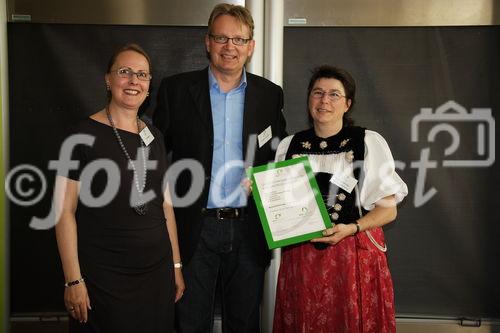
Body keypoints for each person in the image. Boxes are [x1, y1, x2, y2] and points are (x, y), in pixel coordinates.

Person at [153, 3, 287, 332]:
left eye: (239, 40)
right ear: (208, 42)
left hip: (249, 228)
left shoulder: (269, 96)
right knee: (189, 322)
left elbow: (277, 154)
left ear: (251, 46)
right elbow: (154, 155)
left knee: (244, 323)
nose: (230, 47)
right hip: (194, 227)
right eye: (221, 38)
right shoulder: (177, 90)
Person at [55, 43, 185, 333]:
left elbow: (165, 205)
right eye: (124, 72)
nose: (133, 81)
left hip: (156, 276)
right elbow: (64, 211)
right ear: (108, 79)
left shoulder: (155, 136)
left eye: (142, 74)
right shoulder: (81, 135)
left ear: (149, 86)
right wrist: (73, 280)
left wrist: (176, 266)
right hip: (104, 277)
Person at [272, 65, 408, 333]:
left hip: (354, 252)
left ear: (347, 104)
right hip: (303, 258)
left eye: (334, 94)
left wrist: (353, 228)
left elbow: (388, 210)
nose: (324, 101)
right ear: (309, 99)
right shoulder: (289, 146)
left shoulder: (367, 142)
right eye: (318, 92)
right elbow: (280, 207)